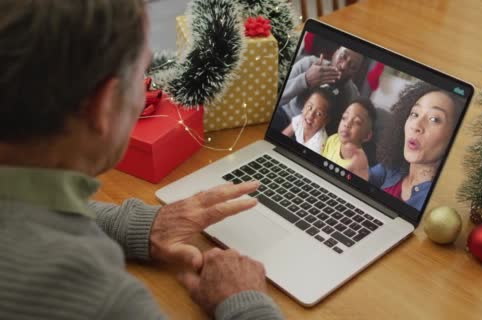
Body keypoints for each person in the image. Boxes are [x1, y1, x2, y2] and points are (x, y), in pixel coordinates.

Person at [0, 1, 282, 319]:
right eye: (143, 74)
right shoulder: (105, 300)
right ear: (103, 106)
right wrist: (244, 301)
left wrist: (137, 226)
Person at [368, 82, 464, 211]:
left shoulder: (435, 204)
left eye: (434, 119)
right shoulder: (392, 168)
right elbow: (364, 176)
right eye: (414, 114)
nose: (416, 125)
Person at [271, 46, 364, 133]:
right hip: (285, 116)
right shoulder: (308, 63)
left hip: (311, 135)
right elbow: (276, 98)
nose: (343, 66)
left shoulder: (352, 94)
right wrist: (306, 79)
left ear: (354, 74)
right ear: (335, 53)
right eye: (343, 56)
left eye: (352, 67)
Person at [322, 98, 376, 178]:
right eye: (344, 117)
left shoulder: (359, 166)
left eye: (357, 122)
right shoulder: (333, 139)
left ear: (367, 136)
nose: (347, 124)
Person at [281, 87, 337, 154]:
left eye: (319, 113)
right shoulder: (299, 119)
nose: (311, 115)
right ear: (304, 105)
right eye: (309, 107)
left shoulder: (319, 144)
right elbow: (283, 136)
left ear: (326, 121)